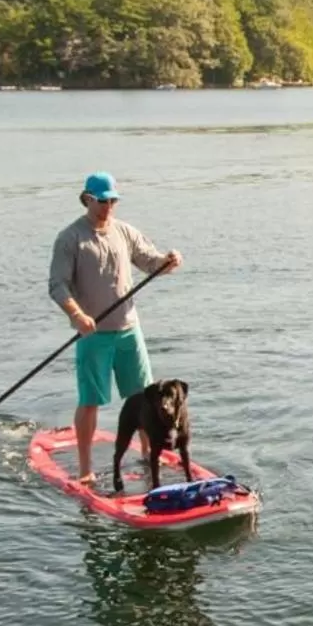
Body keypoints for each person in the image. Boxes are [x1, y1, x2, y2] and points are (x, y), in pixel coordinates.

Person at [47, 172, 182, 484]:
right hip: (93, 335)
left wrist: (169, 260)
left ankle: (150, 455)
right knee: (90, 400)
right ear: (87, 199)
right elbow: (57, 286)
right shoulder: (70, 238)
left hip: (128, 330)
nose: (109, 206)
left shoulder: (124, 232)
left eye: (113, 201)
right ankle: (85, 470)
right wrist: (77, 315)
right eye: (102, 201)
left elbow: (151, 262)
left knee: (145, 398)